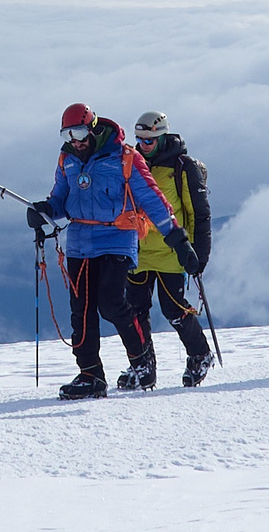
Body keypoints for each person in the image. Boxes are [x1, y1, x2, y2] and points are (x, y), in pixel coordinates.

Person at [31, 103, 198, 398]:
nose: (75, 140)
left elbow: (151, 198)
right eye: (68, 134)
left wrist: (177, 238)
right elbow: (60, 198)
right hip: (80, 243)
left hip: (116, 239)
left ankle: (141, 360)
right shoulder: (67, 159)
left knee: (111, 302)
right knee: (80, 311)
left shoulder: (124, 157)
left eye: (80, 132)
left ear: (94, 129)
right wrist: (44, 211)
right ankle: (90, 374)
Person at [125, 112, 216, 387]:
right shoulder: (130, 164)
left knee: (174, 310)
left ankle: (200, 354)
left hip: (171, 252)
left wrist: (199, 254)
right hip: (137, 253)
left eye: (150, 140)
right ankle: (142, 366)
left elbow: (199, 214)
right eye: (140, 139)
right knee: (134, 312)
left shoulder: (182, 167)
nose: (144, 144)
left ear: (163, 136)